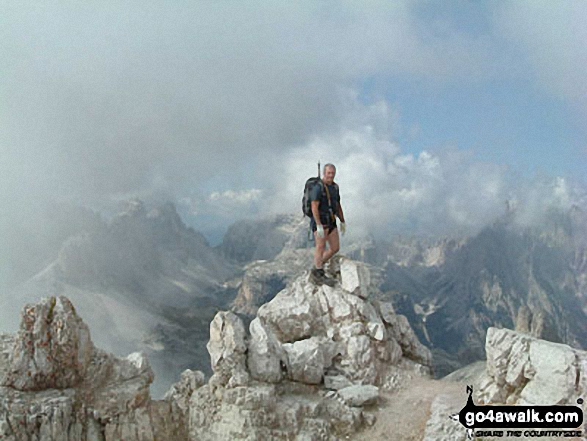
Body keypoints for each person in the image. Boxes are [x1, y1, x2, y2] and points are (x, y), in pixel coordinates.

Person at [309, 163, 346, 285]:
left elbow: (338, 205)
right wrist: (318, 224)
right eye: (329, 173)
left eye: (333, 173)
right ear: (325, 173)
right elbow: (314, 206)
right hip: (321, 222)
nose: (331, 175)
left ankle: (317, 265)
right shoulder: (318, 188)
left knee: (335, 248)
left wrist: (342, 220)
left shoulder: (335, 188)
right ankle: (318, 272)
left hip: (331, 221)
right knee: (321, 246)